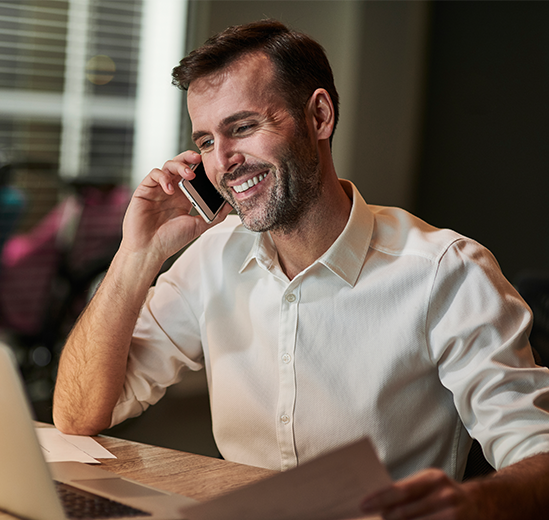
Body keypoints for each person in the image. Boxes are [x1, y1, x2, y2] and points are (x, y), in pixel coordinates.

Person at [53, 19, 549, 519]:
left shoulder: (447, 272)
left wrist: (475, 502)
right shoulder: (212, 257)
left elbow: (540, 456)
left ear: (319, 116)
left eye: (242, 127)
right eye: (205, 141)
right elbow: (78, 414)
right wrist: (136, 256)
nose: (223, 162)